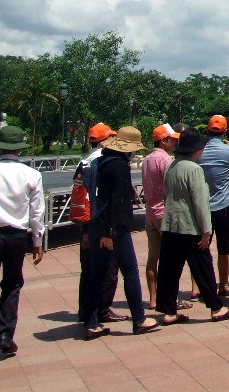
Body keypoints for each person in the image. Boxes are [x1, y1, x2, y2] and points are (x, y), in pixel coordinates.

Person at [83, 127, 160, 339]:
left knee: (97, 275)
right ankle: (139, 319)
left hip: (98, 223)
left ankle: (90, 322)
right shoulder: (118, 167)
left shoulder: (102, 161)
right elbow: (116, 202)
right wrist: (110, 232)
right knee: (131, 272)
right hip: (114, 228)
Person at [156, 127, 229, 325]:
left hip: (170, 224)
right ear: (196, 149)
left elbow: (166, 194)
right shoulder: (194, 169)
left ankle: (168, 310)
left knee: (169, 270)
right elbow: (201, 201)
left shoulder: (172, 166)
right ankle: (216, 307)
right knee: (203, 267)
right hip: (190, 226)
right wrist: (206, 230)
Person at [0, 125, 44, 364]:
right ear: (20, 150)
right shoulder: (31, 174)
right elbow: (37, 213)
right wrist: (38, 240)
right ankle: (5, 333)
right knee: (12, 284)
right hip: (16, 236)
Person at [73, 123, 124, 326]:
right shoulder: (102, 162)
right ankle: (101, 309)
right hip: (99, 223)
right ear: (104, 140)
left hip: (86, 222)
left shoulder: (84, 160)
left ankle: (85, 309)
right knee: (108, 269)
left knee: (88, 268)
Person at [141, 123, 183, 311]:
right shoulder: (166, 160)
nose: (175, 142)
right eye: (172, 139)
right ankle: (169, 299)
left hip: (150, 212)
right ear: (163, 140)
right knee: (171, 259)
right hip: (165, 213)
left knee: (153, 257)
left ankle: (152, 297)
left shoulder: (147, 159)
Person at [198, 115, 229, 297]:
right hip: (222, 206)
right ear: (224, 131)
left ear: (207, 131)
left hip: (201, 208)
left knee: (200, 249)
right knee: (224, 249)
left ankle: (199, 287)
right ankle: (223, 285)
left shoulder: (198, 150)